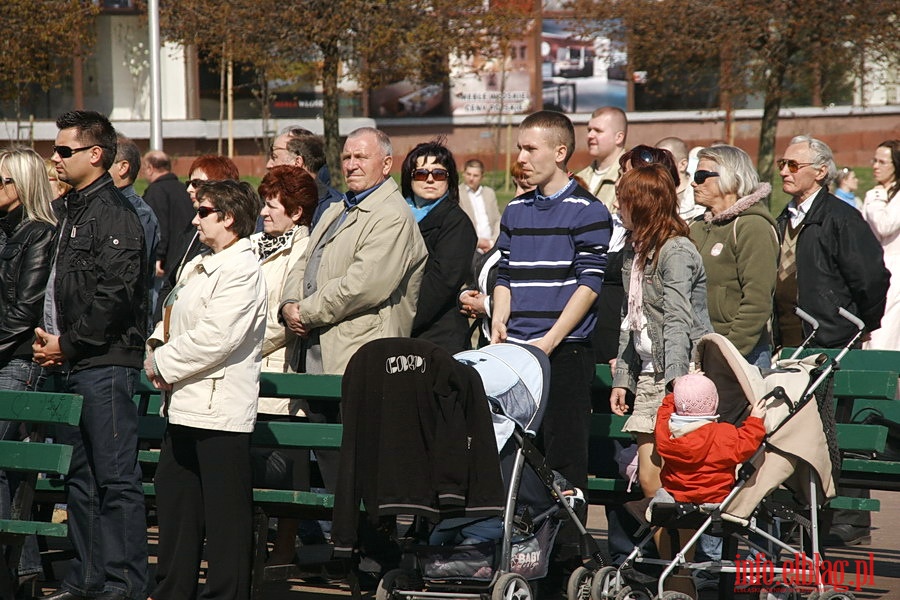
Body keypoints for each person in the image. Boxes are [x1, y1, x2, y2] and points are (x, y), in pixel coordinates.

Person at [490, 110, 612, 583]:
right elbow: (505, 273)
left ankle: (564, 566)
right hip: (517, 357)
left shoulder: (589, 211)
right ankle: (521, 557)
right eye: (519, 147)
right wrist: (500, 315)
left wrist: (550, 341)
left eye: (530, 148)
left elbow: (590, 284)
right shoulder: (516, 211)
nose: (521, 157)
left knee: (563, 464)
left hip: (563, 356)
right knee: (516, 461)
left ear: (560, 153)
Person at [33, 110, 148, 600]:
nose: (55, 158)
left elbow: (116, 294)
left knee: (116, 478)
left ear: (95, 154)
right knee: (78, 480)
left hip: (105, 365)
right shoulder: (66, 210)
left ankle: (122, 584)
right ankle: (85, 578)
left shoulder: (117, 213)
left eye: (64, 151)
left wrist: (70, 343)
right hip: (66, 363)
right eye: (55, 149)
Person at [279, 126, 427, 491]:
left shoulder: (391, 215)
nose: (351, 164)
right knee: (332, 466)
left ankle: (368, 546)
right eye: (346, 157)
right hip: (317, 357)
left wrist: (307, 312)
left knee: (360, 470)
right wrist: (288, 303)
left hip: (359, 361)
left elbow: (364, 285)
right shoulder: (337, 209)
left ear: (387, 164)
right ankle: (344, 543)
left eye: (362, 156)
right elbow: (302, 262)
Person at [144, 179, 267, 600]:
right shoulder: (200, 261)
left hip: (219, 410)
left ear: (228, 218)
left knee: (225, 517)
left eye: (203, 211)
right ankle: (172, 592)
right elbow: (172, 313)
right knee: (176, 505)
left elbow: (218, 337)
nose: (194, 219)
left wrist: (163, 363)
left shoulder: (242, 269)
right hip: (182, 403)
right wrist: (156, 348)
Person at [772, 135, 890, 548]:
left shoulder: (841, 217)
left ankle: (848, 518)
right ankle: (804, 515)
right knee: (794, 432)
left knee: (834, 430)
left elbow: (873, 279)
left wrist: (855, 326)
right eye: (782, 164)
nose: (784, 171)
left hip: (831, 343)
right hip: (789, 344)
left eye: (793, 165)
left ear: (820, 172)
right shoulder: (784, 217)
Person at [609, 163, 713, 500]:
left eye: (622, 200)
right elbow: (631, 317)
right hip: (649, 375)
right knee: (650, 481)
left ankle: (683, 553)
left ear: (641, 204)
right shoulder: (635, 251)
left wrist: (675, 382)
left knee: (676, 483)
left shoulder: (677, 251)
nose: (616, 207)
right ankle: (672, 553)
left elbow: (677, 319)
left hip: (680, 373)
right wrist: (623, 379)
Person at [250, 165, 318, 564]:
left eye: (273, 205)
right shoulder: (253, 243)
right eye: (264, 203)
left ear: (296, 212)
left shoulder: (305, 249)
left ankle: (285, 549)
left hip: (281, 373)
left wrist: (238, 344)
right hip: (242, 373)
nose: (264, 212)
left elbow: (287, 318)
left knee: (290, 469)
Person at [652, 373, 767, 596]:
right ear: (715, 402)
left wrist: (671, 396)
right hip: (717, 501)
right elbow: (748, 443)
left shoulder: (667, 434)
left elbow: (662, 416)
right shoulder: (724, 434)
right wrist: (755, 419)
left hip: (679, 501)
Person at [0, 147, 58, 588]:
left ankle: (19, 570)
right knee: (7, 465)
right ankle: (23, 570)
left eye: (3, 181)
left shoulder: (40, 233)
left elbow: (24, 311)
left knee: (7, 461)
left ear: (22, 187)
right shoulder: (2, 229)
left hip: (17, 360)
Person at [689, 145, 779, 368]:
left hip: (742, 356)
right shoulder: (696, 227)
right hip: (698, 351)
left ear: (730, 177)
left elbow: (757, 302)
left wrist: (727, 352)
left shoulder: (753, 226)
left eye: (701, 176)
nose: (694, 183)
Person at [401, 140, 477, 354]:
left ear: (449, 180)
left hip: (438, 336)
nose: (430, 179)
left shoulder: (456, 223)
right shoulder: (396, 216)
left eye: (439, 174)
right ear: (410, 178)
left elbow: (441, 283)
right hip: (397, 333)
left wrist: (401, 320)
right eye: (421, 173)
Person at [154, 155, 240, 323]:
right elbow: (172, 281)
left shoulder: (232, 237)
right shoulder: (190, 229)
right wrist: (160, 323)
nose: (189, 189)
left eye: (196, 183)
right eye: (188, 183)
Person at [109, 134, 160, 324]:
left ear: (123, 167)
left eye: (106, 162)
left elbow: (131, 274)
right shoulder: (99, 207)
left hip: (127, 324)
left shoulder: (139, 214)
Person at [142, 149, 194, 307]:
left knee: (159, 304)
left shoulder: (156, 192)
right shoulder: (183, 189)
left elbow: (159, 226)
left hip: (164, 264)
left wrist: (158, 257)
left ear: (150, 168)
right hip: (184, 257)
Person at [862, 140, 900, 351]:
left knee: (885, 340)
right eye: (874, 160)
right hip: (874, 272)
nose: (875, 166)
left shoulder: (885, 195)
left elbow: (884, 225)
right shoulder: (878, 193)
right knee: (871, 339)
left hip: (895, 275)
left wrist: (876, 196)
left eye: (882, 162)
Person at [266, 126, 341, 229]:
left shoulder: (335, 208)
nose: (268, 165)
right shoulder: (268, 203)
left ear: (297, 162)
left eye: (274, 157)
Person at [574, 106, 627, 212]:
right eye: (589, 130)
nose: (590, 135)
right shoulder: (579, 178)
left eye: (598, 131)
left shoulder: (630, 178)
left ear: (619, 137)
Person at [656, 136, 705, 221]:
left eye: (664, 160)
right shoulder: (652, 194)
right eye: (655, 160)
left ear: (682, 165)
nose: (656, 165)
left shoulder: (699, 198)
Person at [457, 158, 500, 253]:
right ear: (463, 173)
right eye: (468, 174)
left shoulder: (489, 193)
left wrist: (492, 242)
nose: (471, 178)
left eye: (475, 175)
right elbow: (458, 226)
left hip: (491, 246)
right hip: (469, 247)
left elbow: (497, 219)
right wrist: (478, 242)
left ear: (482, 177)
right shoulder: (457, 194)